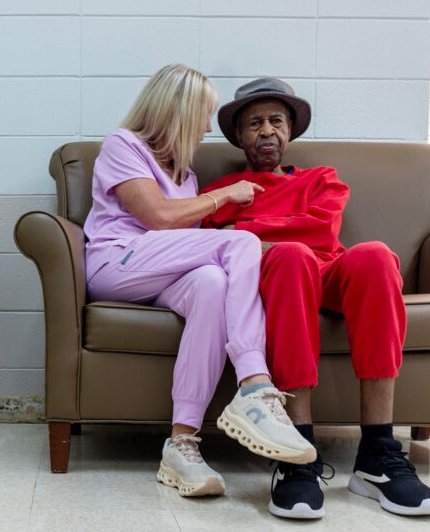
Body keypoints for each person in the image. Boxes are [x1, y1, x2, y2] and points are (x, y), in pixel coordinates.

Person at [202, 77, 430, 519]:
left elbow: (322, 230)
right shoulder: (223, 191)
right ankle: (298, 455)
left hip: (328, 270)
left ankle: (378, 453)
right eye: (255, 123)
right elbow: (210, 245)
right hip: (278, 278)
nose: (267, 131)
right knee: (292, 256)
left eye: (276, 121)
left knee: (375, 255)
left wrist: (245, 232)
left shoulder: (321, 179)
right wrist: (272, 240)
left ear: (290, 131)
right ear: (238, 135)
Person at [84, 64, 315, 497]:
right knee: (241, 242)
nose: (207, 128)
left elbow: (186, 245)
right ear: (179, 111)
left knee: (212, 283)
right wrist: (225, 194)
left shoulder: (186, 176)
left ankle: (182, 444)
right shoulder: (123, 145)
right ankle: (255, 384)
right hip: (116, 262)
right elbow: (157, 217)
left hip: (159, 273)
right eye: (204, 116)